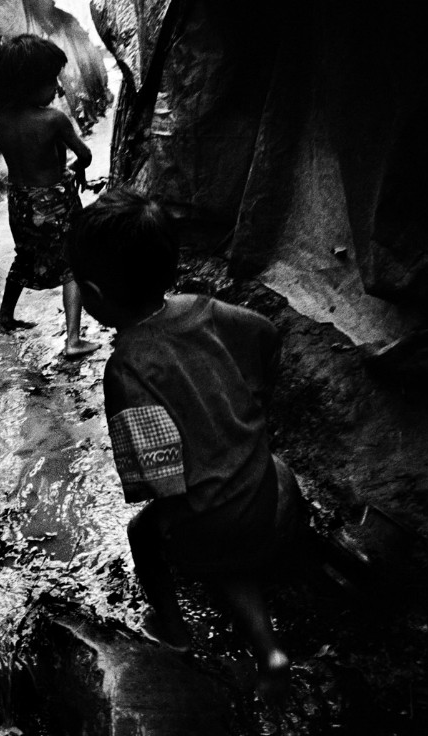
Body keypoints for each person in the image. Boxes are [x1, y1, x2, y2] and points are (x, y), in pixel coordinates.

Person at [67, 188, 309, 699]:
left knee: (146, 534)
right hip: (268, 488)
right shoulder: (205, 310)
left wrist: (176, 523)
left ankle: (175, 633)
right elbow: (266, 334)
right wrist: (256, 398)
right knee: (247, 504)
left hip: (223, 519)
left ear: (93, 294)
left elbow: (159, 478)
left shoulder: (127, 366)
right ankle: (270, 649)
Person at [0, 34, 99, 358]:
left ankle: (3, 318)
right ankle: (73, 340)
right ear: (29, 84)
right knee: (71, 265)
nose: (57, 87)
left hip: (20, 200)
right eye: (51, 80)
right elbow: (86, 155)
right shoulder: (53, 119)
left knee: (24, 258)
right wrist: (76, 168)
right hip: (54, 199)